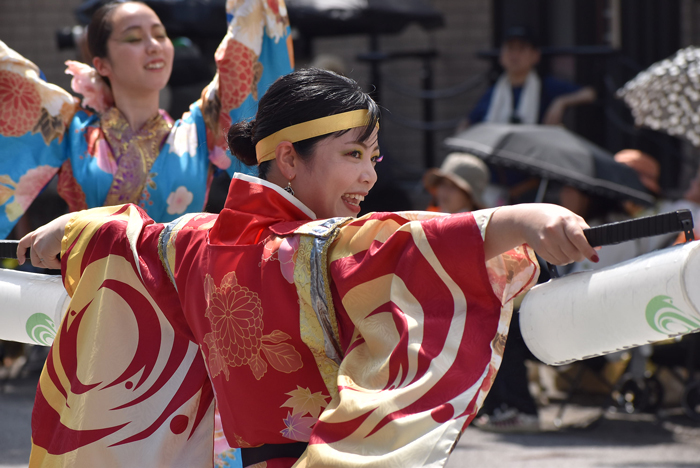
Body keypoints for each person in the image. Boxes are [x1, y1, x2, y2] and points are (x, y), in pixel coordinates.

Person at [17, 68, 598, 467]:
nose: (370, 176)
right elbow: (406, 245)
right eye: (352, 155)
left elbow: (126, 236)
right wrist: (523, 219)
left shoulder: (193, 243)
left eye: (372, 158)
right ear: (289, 158)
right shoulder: (311, 250)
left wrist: (67, 233)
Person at [0, 0, 293, 240]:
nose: (153, 45)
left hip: (176, 296)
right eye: (134, 38)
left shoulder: (200, 128)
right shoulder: (70, 129)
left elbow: (248, 43)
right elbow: (9, 78)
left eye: (160, 35)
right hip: (91, 291)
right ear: (101, 64)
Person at [456, 25, 596, 132]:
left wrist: (561, 102)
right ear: (501, 56)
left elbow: (590, 93)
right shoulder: (494, 92)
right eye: (510, 48)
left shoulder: (546, 86)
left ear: (535, 55)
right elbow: (469, 122)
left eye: (521, 49)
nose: (514, 55)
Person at [422, 152, 491, 213]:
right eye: (442, 183)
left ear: (469, 197)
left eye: (453, 186)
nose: (444, 191)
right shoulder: (430, 219)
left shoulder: (478, 227)